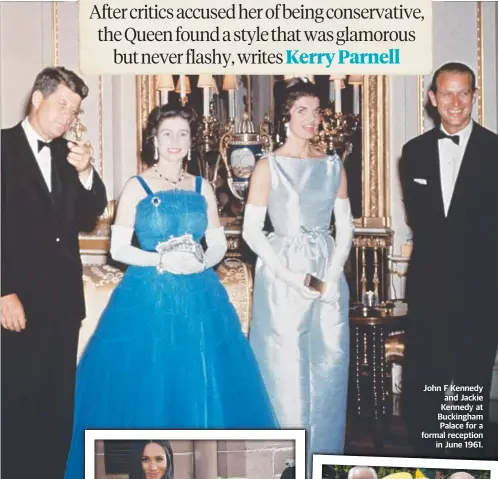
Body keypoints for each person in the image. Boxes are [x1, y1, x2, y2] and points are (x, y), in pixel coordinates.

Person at [63, 103, 278, 479]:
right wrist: (161, 259)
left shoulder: (202, 187)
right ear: (154, 140)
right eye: (167, 134)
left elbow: (216, 244)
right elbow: (118, 249)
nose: (175, 141)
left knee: (204, 381)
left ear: (192, 142)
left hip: (200, 299)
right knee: (148, 385)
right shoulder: (137, 186)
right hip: (148, 299)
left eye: (183, 134)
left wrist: (199, 260)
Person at [0, 66, 107, 479]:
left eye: (74, 110)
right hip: (16, 304)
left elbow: (89, 214)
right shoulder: (3, 148)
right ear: (37, 99)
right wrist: (3, 290)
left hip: (63, 306)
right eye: (62, 104)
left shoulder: (68, 154)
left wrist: (85, 174)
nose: (67, 117)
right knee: (14, 410)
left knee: (55, 415)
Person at [243, 78, 353, 469]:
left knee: (328, 365)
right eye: (302, 110)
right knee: (285, 369)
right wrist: (293, 278)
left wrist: (332, 273)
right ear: (285, 116)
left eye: (316, 110)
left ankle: (323, 461)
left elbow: (346, 226)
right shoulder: (267, 165)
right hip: (283, 275)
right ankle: (283, 465)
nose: (312, 118)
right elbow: (251, 232)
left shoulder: (332, 164)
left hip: (327, 274)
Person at [400, 62, 498, 459]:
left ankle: (463, 462)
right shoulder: (413, 152)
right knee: (426, 376)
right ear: (433, 99)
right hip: (429, 285)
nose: (456, 102)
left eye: (464, 93)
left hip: (482, 285)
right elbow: (419, 220)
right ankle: (427, 456)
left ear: (474, 95)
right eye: (447, 93)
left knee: (470, 377)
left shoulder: (495, 150)